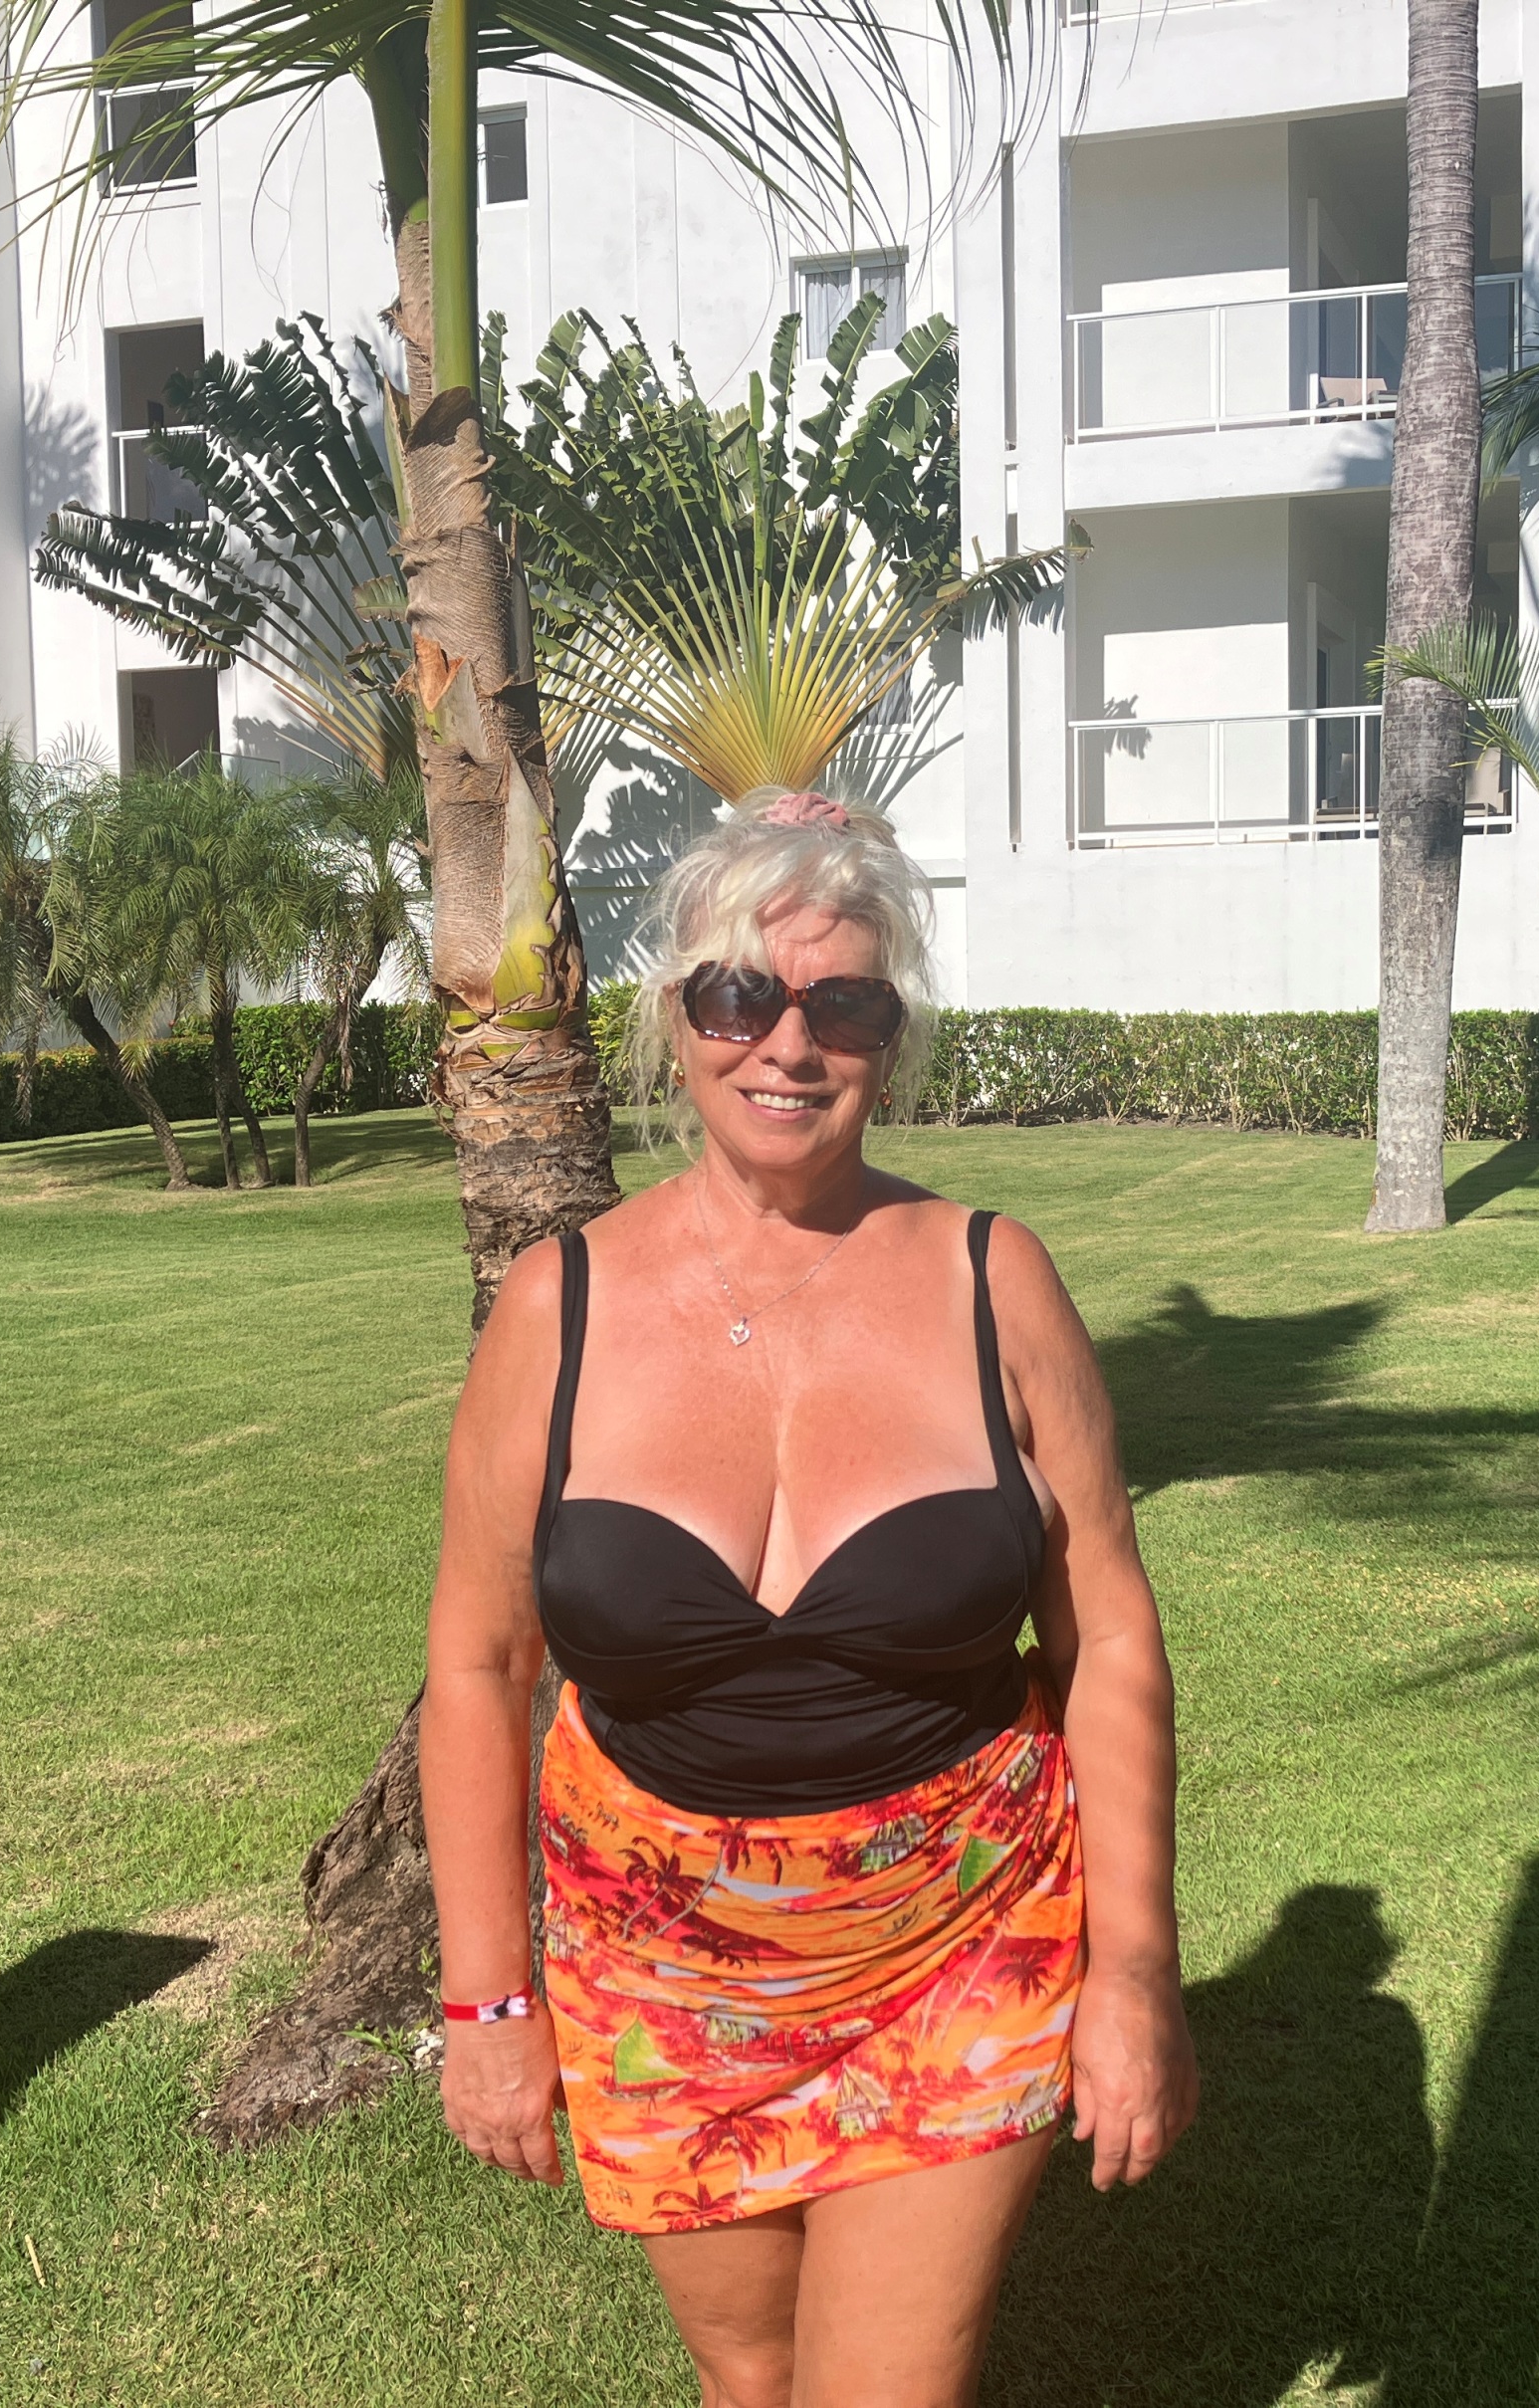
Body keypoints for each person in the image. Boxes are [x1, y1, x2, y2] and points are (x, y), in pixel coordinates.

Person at [422, 789, 1200, 2406]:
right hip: (655, 1964)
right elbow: (480, 1663)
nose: (788, 1043)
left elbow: (1109, 1634)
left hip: (961, 1931)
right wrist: (488, 1998)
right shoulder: (559, 1309)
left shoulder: (992, 1278)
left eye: (843, 1005)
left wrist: (1133, 1970)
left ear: (889, 1039)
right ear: (676, 1019)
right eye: (739, 996)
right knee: (752, 2377)